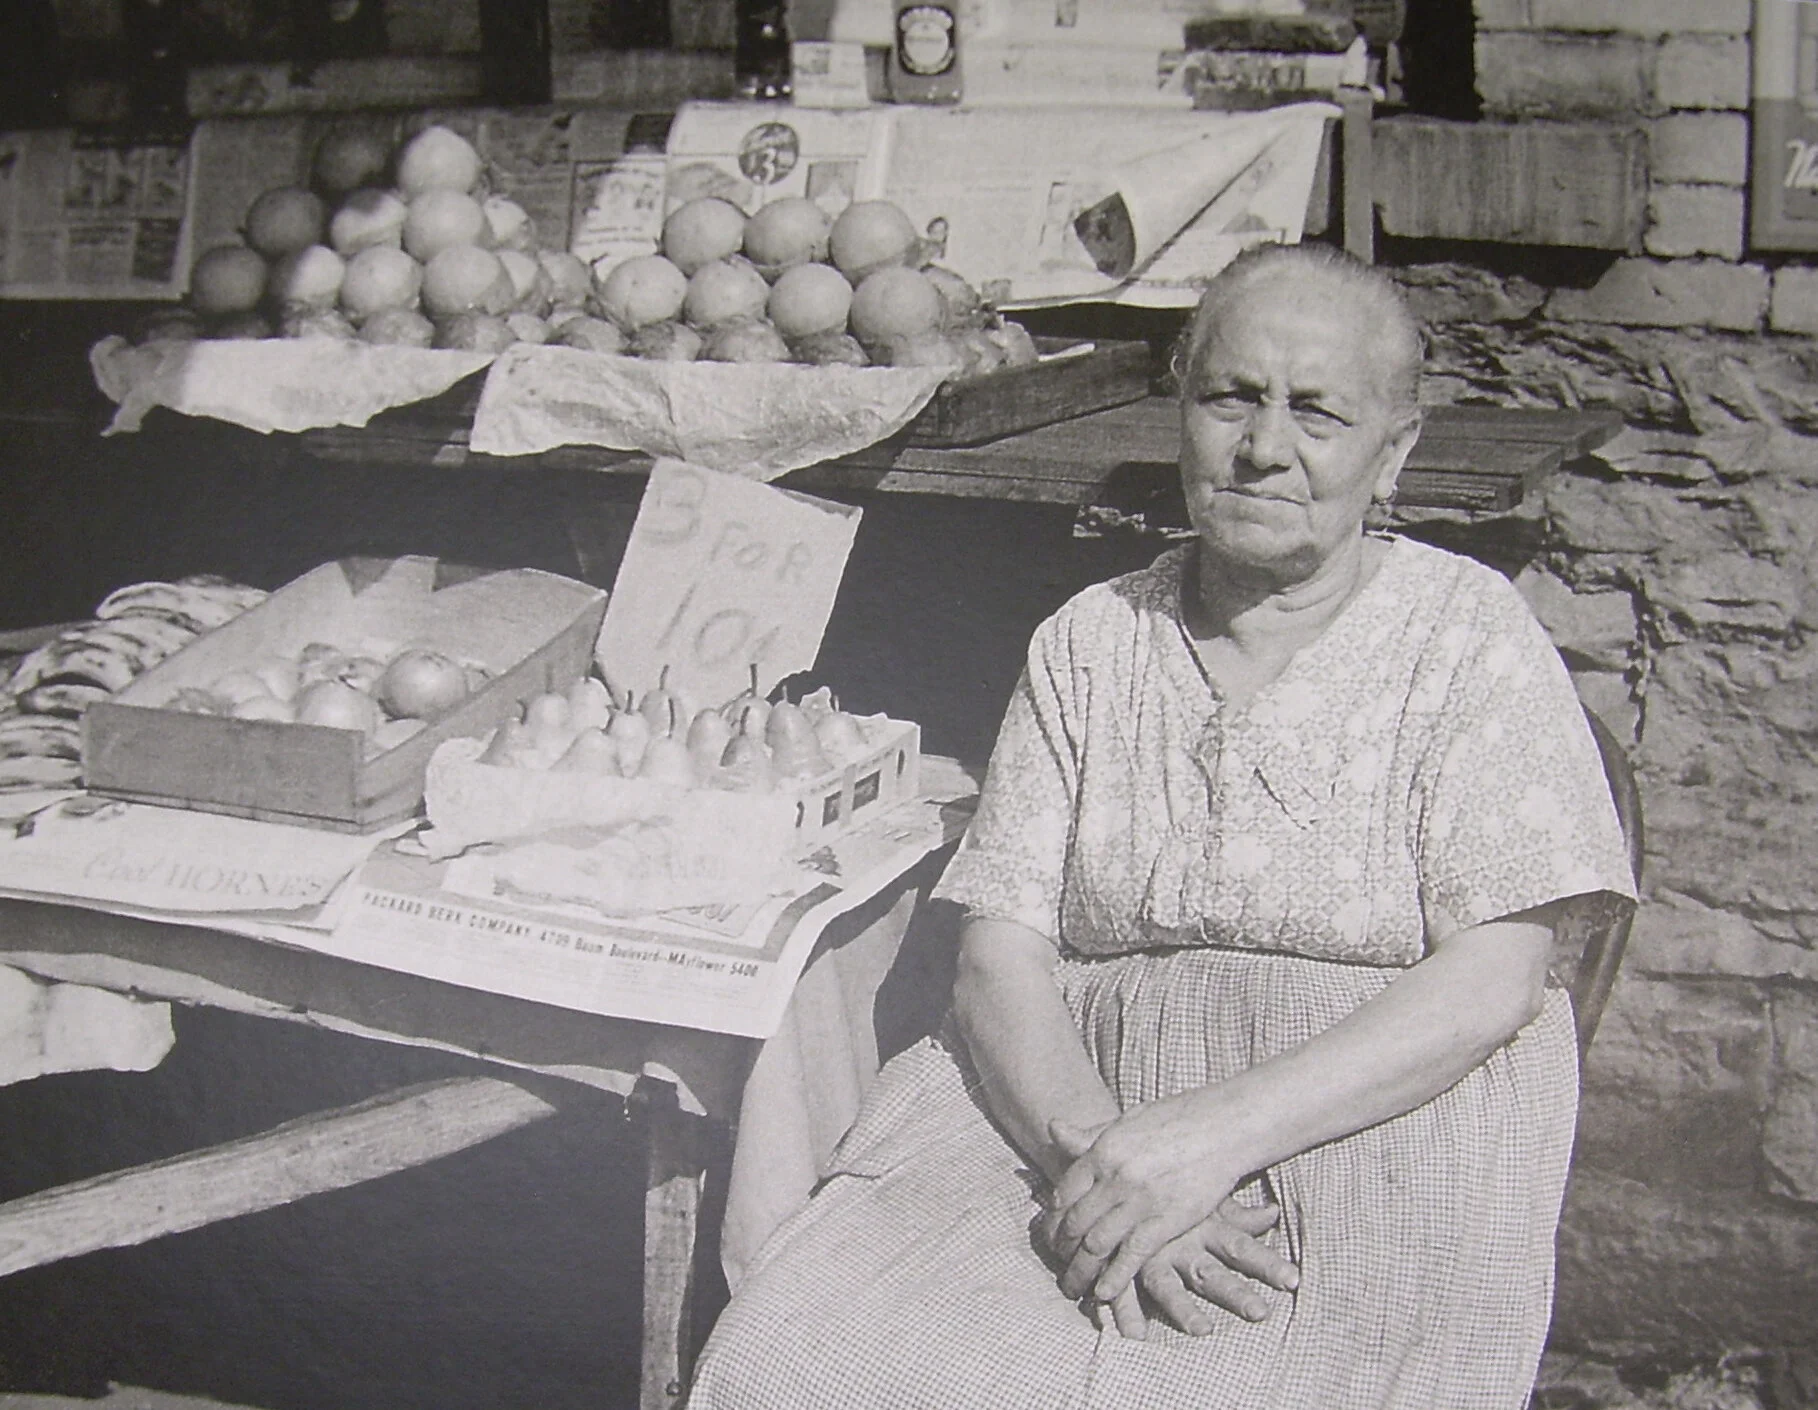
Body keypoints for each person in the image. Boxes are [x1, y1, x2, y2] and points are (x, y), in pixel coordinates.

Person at [685, 242, 1637, 1410]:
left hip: (1364, 1126)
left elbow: (1495, 981)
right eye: (1232, 397)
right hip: (1059, 1116)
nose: (1265, 447)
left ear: (1393, 453)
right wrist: (1102, 1153)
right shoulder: (1090, 639)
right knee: (797, 1363)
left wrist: (1203, 1143)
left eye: (1319, 413)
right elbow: (1001, 955)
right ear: (1182, 412)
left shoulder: (1470, 636)